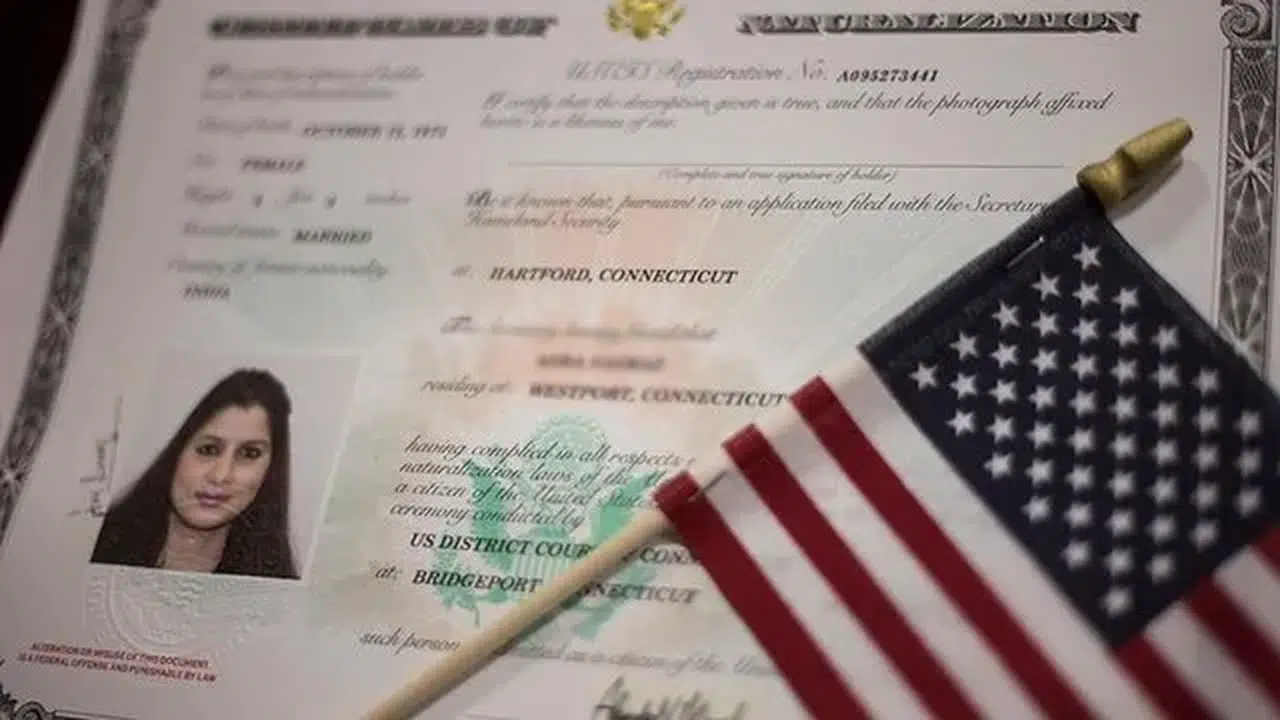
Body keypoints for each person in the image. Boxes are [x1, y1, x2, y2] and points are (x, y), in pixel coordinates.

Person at [90, 368, 300, 579]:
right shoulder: (91, 541)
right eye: (208, 450)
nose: (220, 475)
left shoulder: (278, 586)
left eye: (249, 453)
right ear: (176, 452)